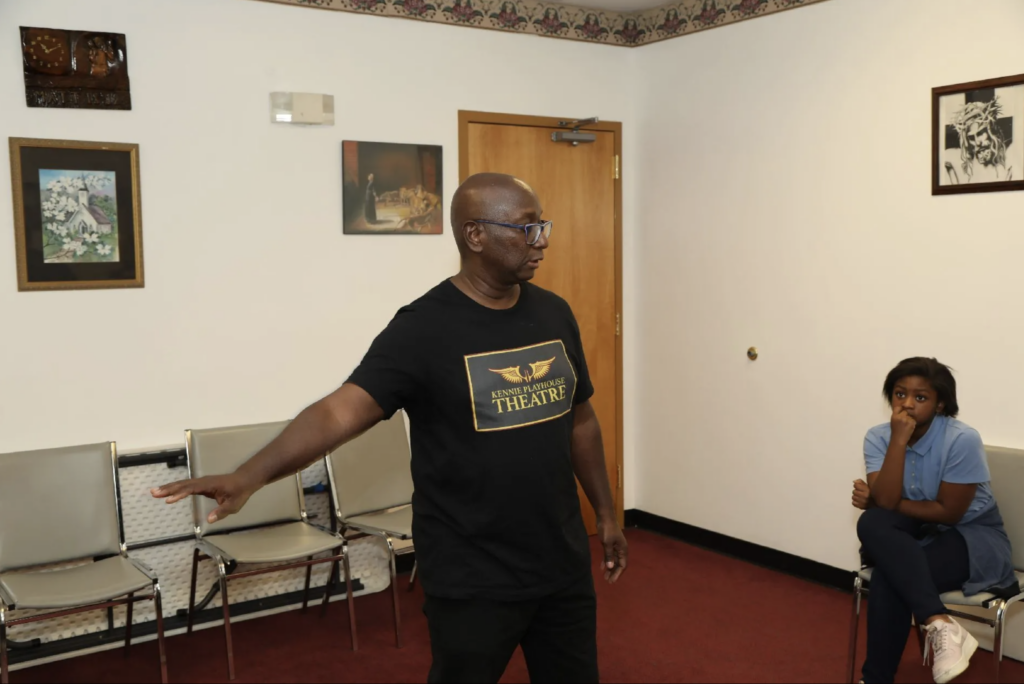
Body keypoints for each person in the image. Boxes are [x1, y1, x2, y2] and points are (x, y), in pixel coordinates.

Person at [152, 173, 628, 683]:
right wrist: (249, 476)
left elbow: (580, 420)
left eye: (542, 225)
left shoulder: (554, 313)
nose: (543, 240)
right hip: (473, 575)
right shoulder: (423, 329)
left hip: (560, 563)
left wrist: (606, 512)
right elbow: (339, 411)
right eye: (526, 228)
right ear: (475, 235)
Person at [851, 357, 1016, 684]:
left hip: (971, 536)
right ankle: (940, 622)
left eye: (920, 397)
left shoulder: (961, 439)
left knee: (888, 577)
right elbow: (883, 506)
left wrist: (884, 500)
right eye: (900, 394)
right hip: (918, 533)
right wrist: (898, 441)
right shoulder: (878, 436)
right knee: (870, 523)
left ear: (940, 404)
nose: (907, 404)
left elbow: (948, 512)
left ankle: (875, 679)